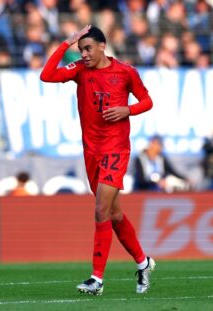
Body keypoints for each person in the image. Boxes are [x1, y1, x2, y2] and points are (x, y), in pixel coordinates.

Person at [40, 25, 155, 295]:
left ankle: (97, 279)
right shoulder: (80, 69)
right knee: (114, 214)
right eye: (81, 50)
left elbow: (147, 101)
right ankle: (143, 262)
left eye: (88, 48)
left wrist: (128, 109)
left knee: (101, 210)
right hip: (91, 152)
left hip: (116, 149)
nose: (84, 54)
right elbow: (46, 76)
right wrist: (66, 43)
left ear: (103, 46)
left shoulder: (125, 72)